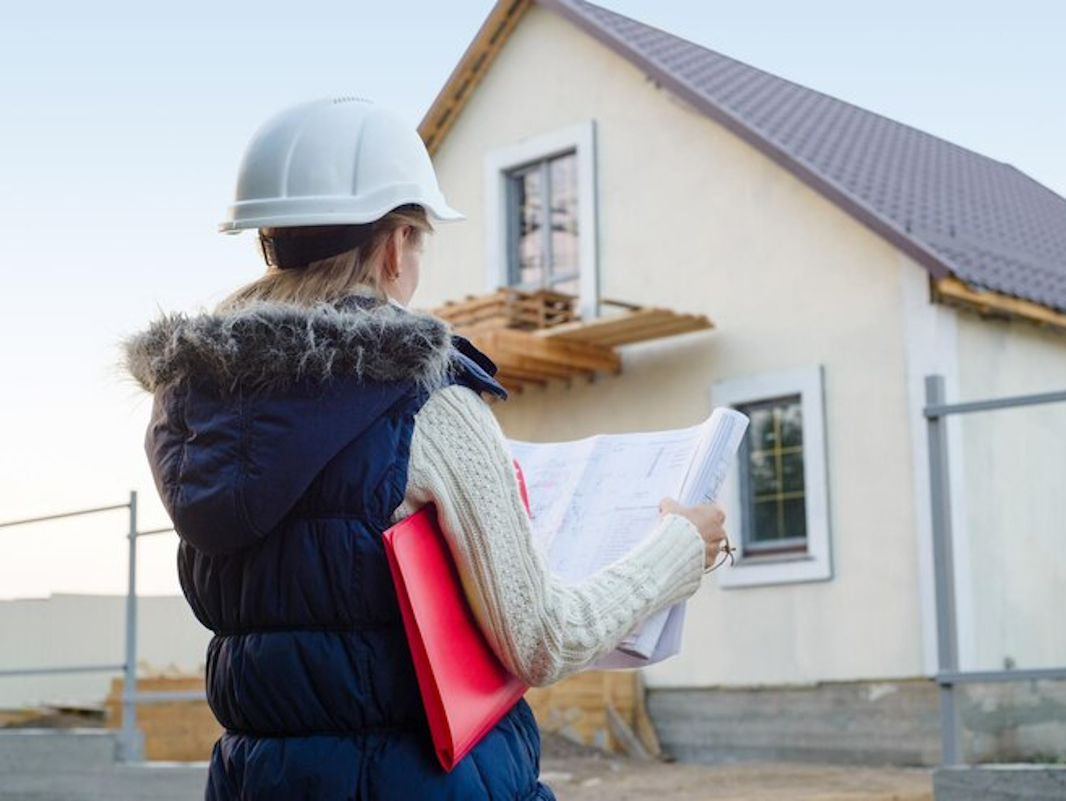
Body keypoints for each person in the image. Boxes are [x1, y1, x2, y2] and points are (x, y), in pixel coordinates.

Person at [122, 97, 727, 800]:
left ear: (267, 239)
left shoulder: (195, 415)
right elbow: (542, 639)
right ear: (393, 246)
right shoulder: (424, 401)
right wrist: (678, 548)